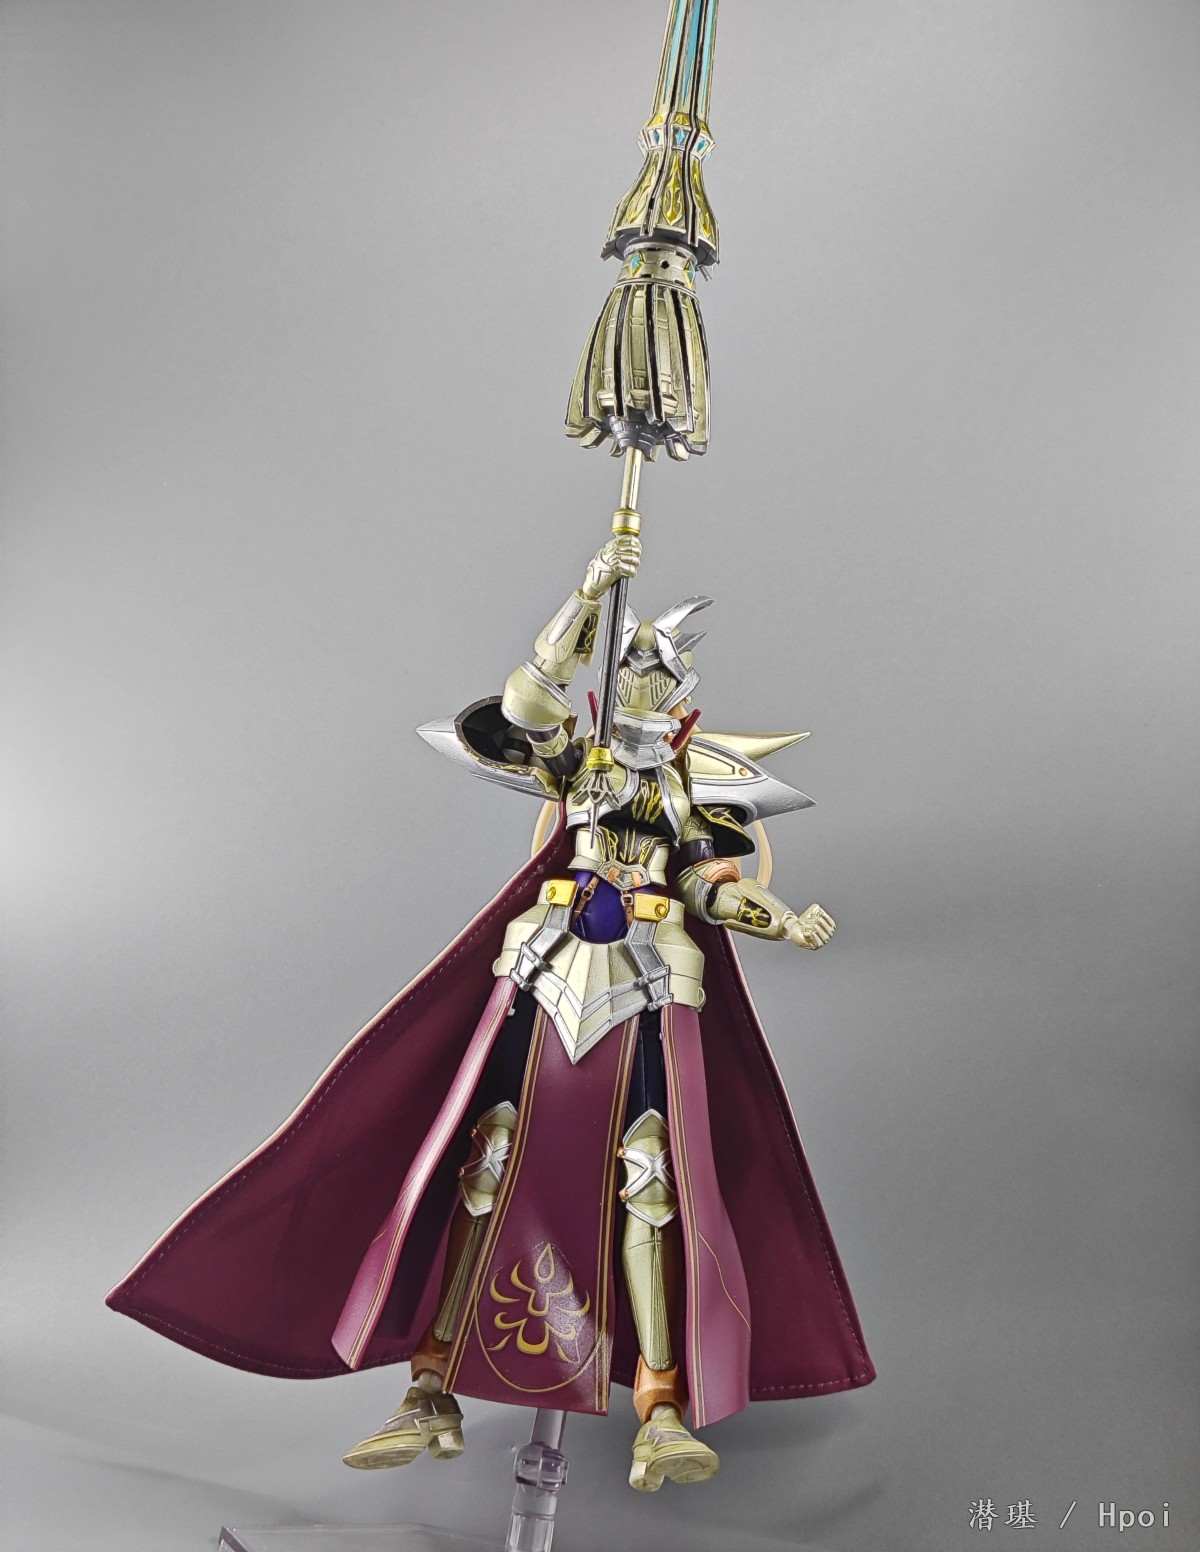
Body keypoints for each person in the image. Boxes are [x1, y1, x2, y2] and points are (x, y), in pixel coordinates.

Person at [107, 535, 874, 1494]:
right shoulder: (582, 767)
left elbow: (707, 886)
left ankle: (660, 1407)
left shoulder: (684, 794)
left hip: (646, 985)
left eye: (660, 688)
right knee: (487, 1165)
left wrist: (779, 920)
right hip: (545, 971)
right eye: (632, 681)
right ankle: (431, 1387)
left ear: (684, 715)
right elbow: (526, 705)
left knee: (650, 1181)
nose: (643, 699)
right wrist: (586, 596)